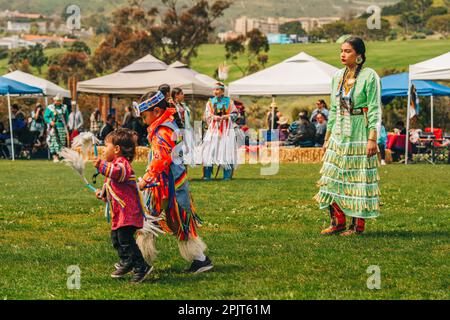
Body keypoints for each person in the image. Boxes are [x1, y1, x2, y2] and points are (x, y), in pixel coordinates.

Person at [134, 91, 213, 274]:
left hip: (166, 186)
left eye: (144, 116)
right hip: (170, 184)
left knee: (153, 221)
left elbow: (161, 160)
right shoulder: (167, 125)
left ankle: (140, 262)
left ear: (156, 111)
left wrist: (145, 180)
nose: (143, 120)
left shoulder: (163, 130)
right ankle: (141, 259)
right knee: (163, 221)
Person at [314, 36, 381, 236]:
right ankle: (337, 221)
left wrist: (372, 138)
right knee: (331, 176)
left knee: (357, 177)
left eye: (348, 51)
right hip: (339, 132)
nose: (343, 54)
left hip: (360, 130)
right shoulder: (337, 77)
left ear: (359, 54)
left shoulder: (370, 76)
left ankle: (356, 226)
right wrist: (327, 138)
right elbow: (334, 109)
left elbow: (375, 109)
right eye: (341, 51)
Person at [93, 128, 152, 283]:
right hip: (120, 213)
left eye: (106, 147)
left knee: (125, 239)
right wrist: (102, 193)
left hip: (129, 211)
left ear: (117, 149)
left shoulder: (123, 164)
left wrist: (101, 165)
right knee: (116, 239)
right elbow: (111, 185)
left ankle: (141, 266)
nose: (104, 151)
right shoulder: (114, 164)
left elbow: (118, 173)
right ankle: (127, 261)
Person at [201, 82, 241, 181]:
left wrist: (226, 116)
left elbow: (235, 114)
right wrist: (213, 117)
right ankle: (207, 174)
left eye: (218, 89)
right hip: (214, 129)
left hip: (226, 130)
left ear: (222, 91)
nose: (215, 91)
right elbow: (207, 114)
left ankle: (227, 175)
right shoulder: (210, 102)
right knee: (210, 150)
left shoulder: (229, 102)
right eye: (214, 89)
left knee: (226, 150)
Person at [172, 87, 195, 166]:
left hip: (185, 129)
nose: (183, 95)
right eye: (181, 94)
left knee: (186, 150)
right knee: (179, 150)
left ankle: (184, 173)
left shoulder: (183, 106)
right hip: (177, 130)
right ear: (176, 95)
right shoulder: (172, 105)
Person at [44, 95, 69, 162]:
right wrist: (50, 121)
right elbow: (46, 117)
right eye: (56, 101)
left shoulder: (64, 107)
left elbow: (66, 117)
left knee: (62, 142)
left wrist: (66, 125)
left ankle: (61, 155)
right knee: (54, 141)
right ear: (54, 101)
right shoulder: (50, 107)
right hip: (53, 127)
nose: (57, 102)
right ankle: (55, 156)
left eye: (59, 101)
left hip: (62, 126)